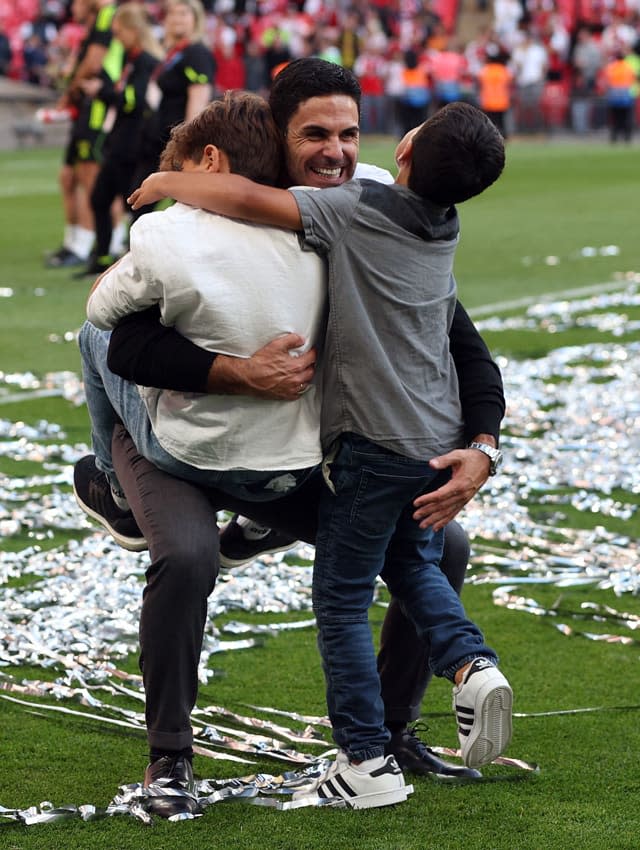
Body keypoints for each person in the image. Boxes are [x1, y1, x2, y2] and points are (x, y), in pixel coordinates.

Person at [74, 59, 504, 814]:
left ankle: (389, 735)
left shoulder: (368, 209)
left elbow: (458, 342)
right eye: (314, 134)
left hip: (298, 452)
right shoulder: (204, 224)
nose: (335, 149)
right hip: (187, 440)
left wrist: (483, 444)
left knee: (446, 542)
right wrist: (233, 372)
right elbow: (121, 340)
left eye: (348, 133)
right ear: (276, 137)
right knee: (186, 555)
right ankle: (170, 758)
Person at [80, 92, 326, 510]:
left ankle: (114, 488)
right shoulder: (325, 216)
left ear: (210, 159)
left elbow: (98, 309)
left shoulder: (168, 229)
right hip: (299, 459)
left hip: (194, 454)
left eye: (185, 170)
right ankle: (260, 524)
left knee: (92, 336)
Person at [75, 3, 163, 278]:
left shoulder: (146, 61)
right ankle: (105, 257)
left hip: (133, 142)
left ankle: (133, 260)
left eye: (120, 32)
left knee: (133, 204)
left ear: (134, 31)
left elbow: (133, 101)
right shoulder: (132, 59)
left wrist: (102, 91)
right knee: (102, 198)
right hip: (121, 140)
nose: (117, 38)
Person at [45, 0, 122, 269]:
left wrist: (70, 91)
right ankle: (79, 242)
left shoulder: (108, 14)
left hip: (98, 108)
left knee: (93, 179)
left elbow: (94, 61)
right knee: (70, 177)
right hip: (87, 106)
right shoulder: (100, 20)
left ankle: (99, 243)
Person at [127, 0, 214, 224]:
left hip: (175, 143)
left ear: (196, 19)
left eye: (184, 13)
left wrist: (186, 144)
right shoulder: (172, 52)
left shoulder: (196, 53)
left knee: (164, 204)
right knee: (140, 201)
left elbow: (198, 102)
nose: (177, 18)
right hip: (159, 139)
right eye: (173, 13)